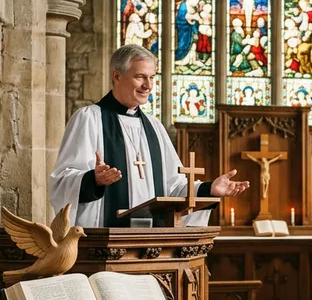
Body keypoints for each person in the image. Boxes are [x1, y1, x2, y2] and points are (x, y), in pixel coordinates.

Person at [50, 44, 249, 228]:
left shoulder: (154, 127)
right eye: (140, 77)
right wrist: (93, 180)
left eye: (152, 77)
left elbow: (174, 187)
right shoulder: (89, 119)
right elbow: (61, 181)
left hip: (151, 243)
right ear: (117, 76)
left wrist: (209, 189)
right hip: (104, 243)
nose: (148, 85)